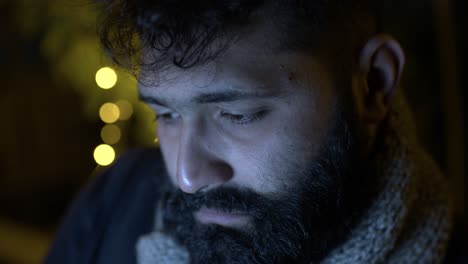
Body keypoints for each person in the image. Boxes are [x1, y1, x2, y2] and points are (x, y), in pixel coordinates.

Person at [45, 1, 457, 263]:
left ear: (373, 84)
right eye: (166, 115)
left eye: (236, 114)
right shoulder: (115, 201)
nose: (187, 177)